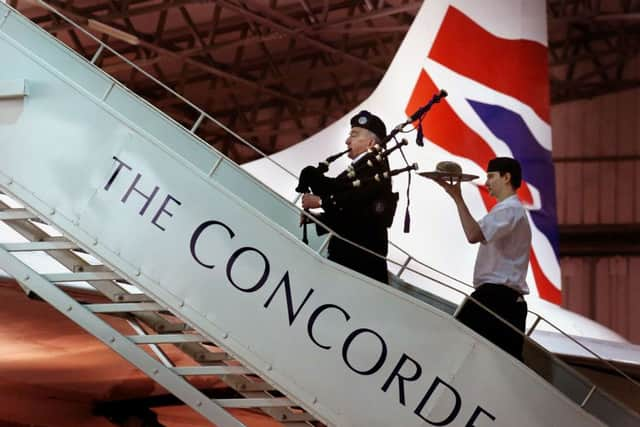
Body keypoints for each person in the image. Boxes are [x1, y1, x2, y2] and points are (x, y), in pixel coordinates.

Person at [436, 157, 530, 360]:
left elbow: (473, 234)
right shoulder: (507, 210)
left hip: (497, 298)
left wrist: (458, 198)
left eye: (491, 176)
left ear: (506, 177)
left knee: (455, 347)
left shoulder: (510, 210)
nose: (486, 183)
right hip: (502, 299)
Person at [300, 110, 397, 284]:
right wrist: (317, 218)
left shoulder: (374, 168)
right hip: (350, 262)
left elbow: (355, 207)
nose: (347, 141)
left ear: (371, 142)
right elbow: (352, 217)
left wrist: (320, 201)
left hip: (358, 266)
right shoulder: (363, 167)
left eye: (354, 135)